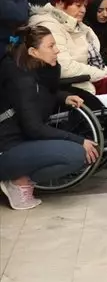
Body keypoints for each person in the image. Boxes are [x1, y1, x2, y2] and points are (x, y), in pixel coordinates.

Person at [0, 26, 99, 209]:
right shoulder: (21, 80)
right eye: (51, 46)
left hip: (20, 143)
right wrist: (78, 140)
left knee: (77, 151)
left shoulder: (33, 70)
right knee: (76, 154)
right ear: (33, 52)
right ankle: (17, 180)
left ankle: (19, 176)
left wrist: (63, 97)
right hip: (7, 149)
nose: (57, 50)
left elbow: (41, 94)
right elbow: (33, 127)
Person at [27, 0, 107, 95]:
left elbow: (96, 61)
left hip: (87, 82)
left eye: (85, 6)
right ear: (60, 4)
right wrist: (102, 75)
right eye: (78, 5)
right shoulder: (48, 26)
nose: (83, 10)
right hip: (70, 89)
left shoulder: (81, 26)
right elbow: (64, 67)